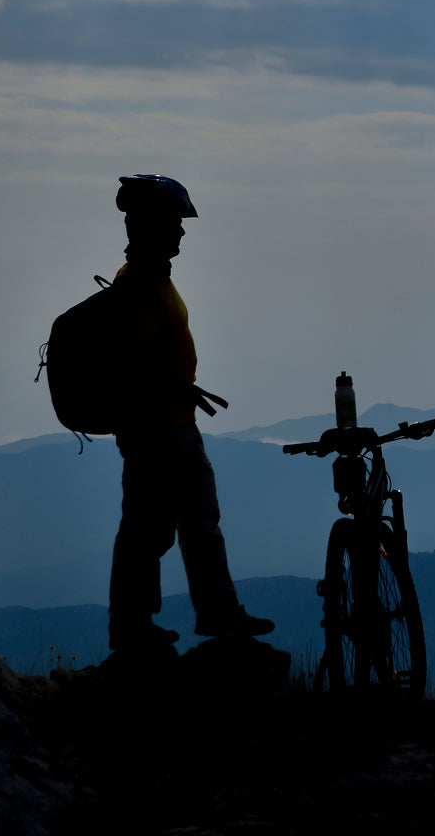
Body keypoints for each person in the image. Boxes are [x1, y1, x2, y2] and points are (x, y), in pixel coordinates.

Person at [106, 174, 274, 653]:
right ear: (150, 225)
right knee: (150, 525)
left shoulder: (151, 279)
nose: (181, 232)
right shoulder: (138, 285)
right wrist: (178, 389)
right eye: (175, 223)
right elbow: (138, 364)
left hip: (174, 422)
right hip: (156, 427)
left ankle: (212, 613)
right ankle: (135, 627)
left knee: (190, 520)